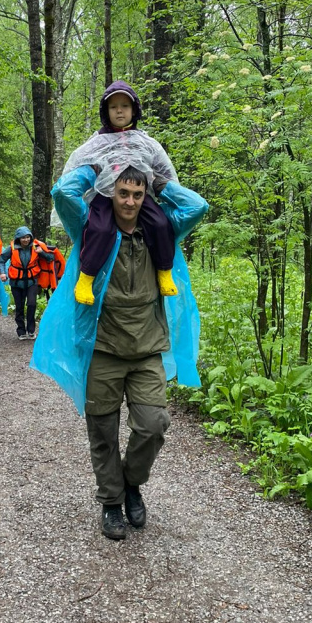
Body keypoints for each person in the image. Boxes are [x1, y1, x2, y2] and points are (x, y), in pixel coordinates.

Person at [30, 164, 208, 540]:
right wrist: (94, 168)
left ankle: (131, 484)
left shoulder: (161, 231)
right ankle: (111, 502)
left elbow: (197, 206)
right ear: (112, 192)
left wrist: (162, 183)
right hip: (103, 349)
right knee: (103, 431)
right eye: (123, 193)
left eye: (137, 194)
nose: (129, 201)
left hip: (146, 350)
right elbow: (62, 193)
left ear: (145, 198)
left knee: (153, 424)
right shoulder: (91, 228)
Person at [61, 81, 178, 306]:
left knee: (161, 223)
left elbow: (163, 169)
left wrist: (165, 190)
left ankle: (164, 271)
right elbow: (79, 164)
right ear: (106, 111)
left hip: (137, 194)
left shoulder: (145, 141)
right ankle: (86, 277)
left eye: (125, 106)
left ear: (134, 110)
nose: (119, 111)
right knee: (100, 228)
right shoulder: (97, 141)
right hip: (106, 195)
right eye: (113, 107)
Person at [0, 227, 54, 340]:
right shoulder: (11, 248)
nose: (26, 240)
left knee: (32, 304)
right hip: (16, 282)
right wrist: (2, 273)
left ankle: (31, 330)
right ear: (18, 238)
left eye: (28, 237)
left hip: (32, 281)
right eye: (23, 237)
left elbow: (50, 258)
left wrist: (42, 253)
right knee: (19, 307)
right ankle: (21, 331)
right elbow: (1, 260)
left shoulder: (36, 247)